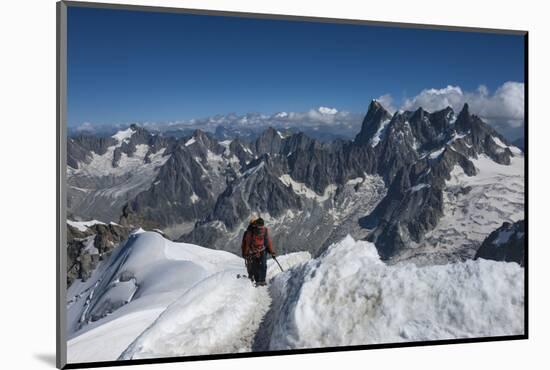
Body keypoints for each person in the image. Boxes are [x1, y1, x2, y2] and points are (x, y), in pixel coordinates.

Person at [241, 217, 275, 286]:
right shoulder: (258, 231)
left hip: (253, 251)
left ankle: (259, 280)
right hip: (262, 250)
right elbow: (268, 241)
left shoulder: (249, 232)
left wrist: (245, 253)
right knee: (262, 265)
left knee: (255, 266)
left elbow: (246, 244)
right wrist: (272, 251)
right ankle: (261, 280)